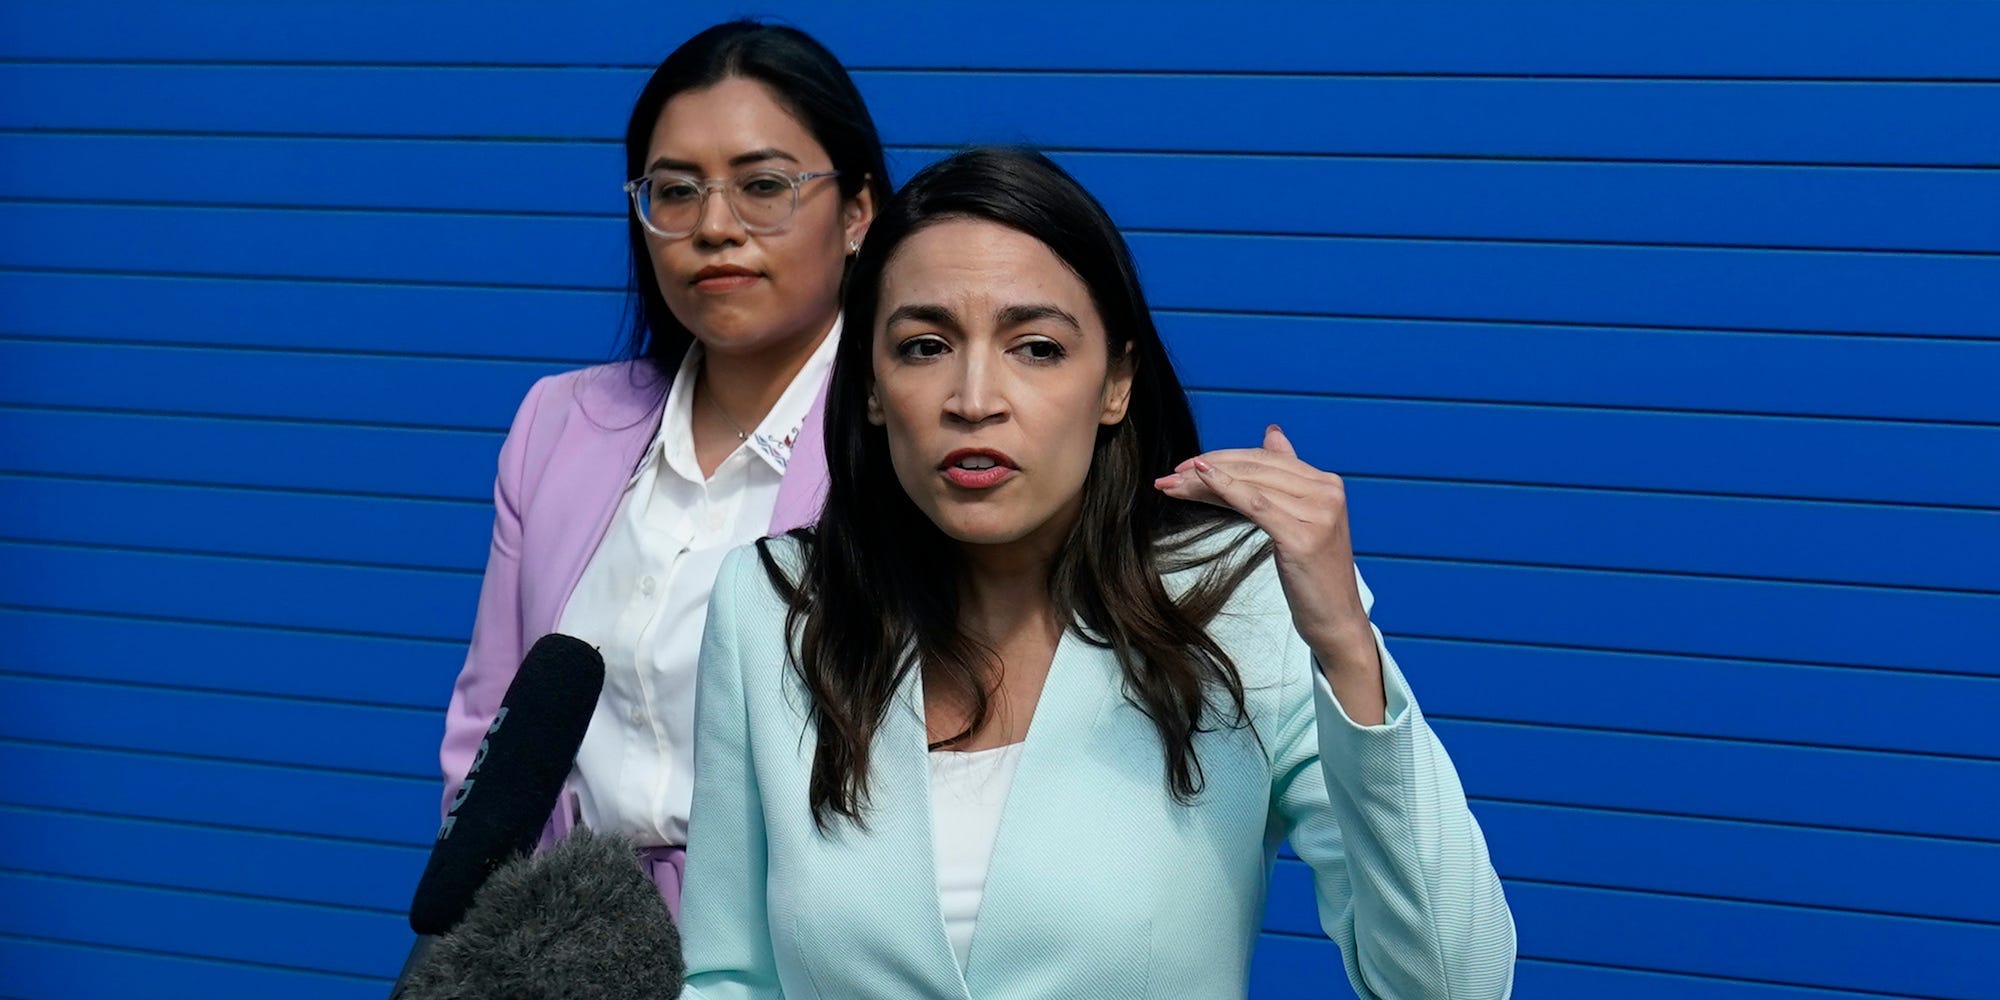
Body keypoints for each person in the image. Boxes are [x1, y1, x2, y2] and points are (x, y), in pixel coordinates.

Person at [677, 147, 1516, 998]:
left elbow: (1452, 983)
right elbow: (727, 976)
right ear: (869, 386)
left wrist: (1343, 640)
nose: (974, 397)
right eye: (924, 346)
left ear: (1115, 381)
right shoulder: (774, 609)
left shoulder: (1238, 601)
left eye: (1036, 348)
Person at [435, 20, 889, 917]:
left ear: (858, 214)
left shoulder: (904, 440)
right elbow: (489, 735)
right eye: (675, 192)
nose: (714, 228)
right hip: (565, 941)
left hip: (799, 949)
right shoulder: (560, 424)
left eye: (764, 187)